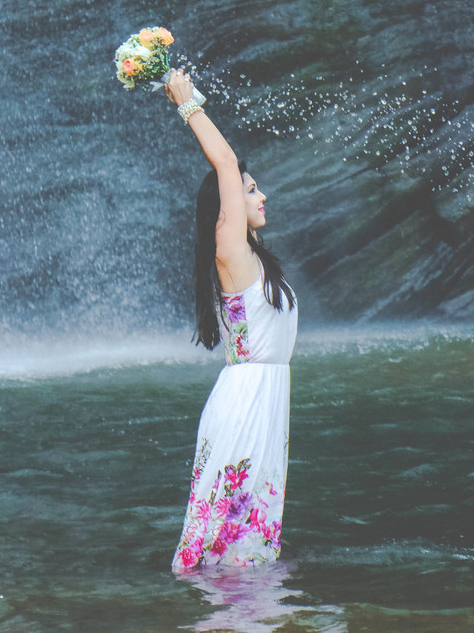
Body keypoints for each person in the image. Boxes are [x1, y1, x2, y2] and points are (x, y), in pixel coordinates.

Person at [164, 68, 298, 573]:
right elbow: (223, 160)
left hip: (264, 399)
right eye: (251, 190)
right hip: (245, 404)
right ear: (227, 208)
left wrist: (194, 93)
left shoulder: (256, 257)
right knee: (227, 537)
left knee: (252, 539)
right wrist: (185, 103)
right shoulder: (231, 252)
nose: (262, 196)